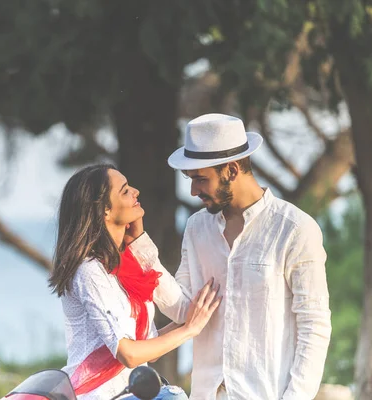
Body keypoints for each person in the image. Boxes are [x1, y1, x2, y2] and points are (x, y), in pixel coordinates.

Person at [127, 114, 332, 399]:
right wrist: (139, 245)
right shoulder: (197, 228)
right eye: (190, 179)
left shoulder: (295, 230)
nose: (192, 190)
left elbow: (314, 327)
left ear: (232, 170)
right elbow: (183, 310)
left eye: (200, 179)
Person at [48, 164, 221, 400]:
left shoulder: (126, 262)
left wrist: (140, 243)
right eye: (125, 190)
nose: (136, 192)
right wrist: (190, 329)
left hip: (132, 394)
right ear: (104, 211)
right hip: (100, 395)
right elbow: (129, 354)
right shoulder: (89, 271)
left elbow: (170, 322)